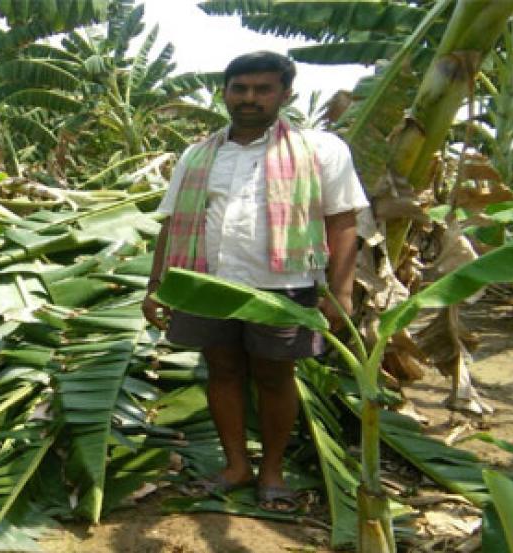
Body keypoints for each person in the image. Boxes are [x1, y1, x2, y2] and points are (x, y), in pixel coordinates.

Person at [143, 52, 368, 513]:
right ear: (224, 93)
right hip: (207, 282)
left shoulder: (321, 149)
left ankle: (272, 472)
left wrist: (341, 291)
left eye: (262, 89)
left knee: (274, 375)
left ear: (285, 95)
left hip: (284, 284)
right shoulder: (199, 154)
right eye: (239, 89)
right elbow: (171, 223)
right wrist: (157, 286)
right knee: (221, 371)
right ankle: (234, 467)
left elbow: (343, 221)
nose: (249, 98)